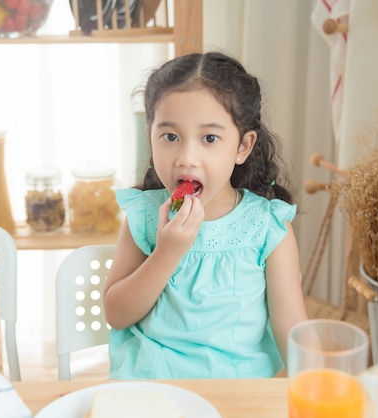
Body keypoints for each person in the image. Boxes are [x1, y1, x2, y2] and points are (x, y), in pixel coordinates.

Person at [103, 51, 308, 379]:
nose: (186, 158)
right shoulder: (142, 216)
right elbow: (116, 314)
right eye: (170, 137)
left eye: (209, 138)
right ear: (150, 136)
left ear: (243, 146)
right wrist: (166, 253)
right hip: (150, 388)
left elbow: (292, 332)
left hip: (237, 396)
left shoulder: (268, 229)